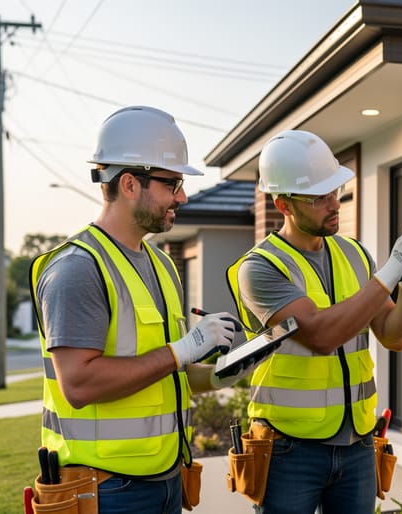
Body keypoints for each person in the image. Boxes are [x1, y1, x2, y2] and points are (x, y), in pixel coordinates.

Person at [30, 106, 246, 514]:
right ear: (130, 184)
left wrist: (221, 374)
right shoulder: (78, 268)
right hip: (107, 490)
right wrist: (183, 350)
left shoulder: (161, 264)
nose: (182, 196)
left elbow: (161, 375)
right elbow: (78, 385)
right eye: (173, 183)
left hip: (164, 478)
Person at [226, 129, 402, 514]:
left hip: (357, 443)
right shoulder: (259, 268)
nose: (333, 203)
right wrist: (391, 272)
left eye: (335, 192)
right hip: (289, 449)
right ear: (283, 204)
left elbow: (394, 338)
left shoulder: (355, 254)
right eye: (319, 197)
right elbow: (321, 336)